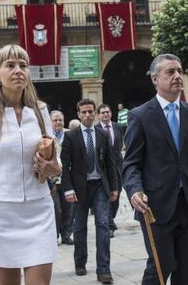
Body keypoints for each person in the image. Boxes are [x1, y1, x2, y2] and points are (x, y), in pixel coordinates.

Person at [0, 44, 61, 285]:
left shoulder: (40, 110)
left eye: (23, 65)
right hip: (0, 213)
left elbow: (56, 164)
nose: (18, 70)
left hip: (39, 209)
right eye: (10, 65)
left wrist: (51, 167)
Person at [122, 53, 188, 285]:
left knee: (187, 271)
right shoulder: (140, 116)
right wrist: (135, 190)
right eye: (170, 72)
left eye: (179, 71)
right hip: (155, 207)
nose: (177, 76)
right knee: (160, 265)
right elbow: (131, 163)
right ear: (155, 79)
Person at [61, 98, 118, 284]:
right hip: (79, 188)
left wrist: (114, 187)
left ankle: (104, 270)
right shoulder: (71, 136)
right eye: (83, 112)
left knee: (103, 225)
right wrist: (68, 189)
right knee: (80, 227)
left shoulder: (102, 134)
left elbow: (110, 163)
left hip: (99, 186)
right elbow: (65, 165)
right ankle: (80, 262)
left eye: (90, 111)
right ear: (78, 114)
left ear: (95, 113)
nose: (87, 115)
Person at [96, 103, 124, 238]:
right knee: (105, 196)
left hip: (118, 167)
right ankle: (109, 224)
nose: (105, 114)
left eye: (107, 112)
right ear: (98, 115)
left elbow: (121, 145)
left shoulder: (118, 127)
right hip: (103, 169)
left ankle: (111, 218)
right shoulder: (95, 129)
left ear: (111, 113)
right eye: (103, 112)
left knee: (116, 194)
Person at [49, 110, 74, 245]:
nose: (58, 122)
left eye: (60, 120)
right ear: (50, 121)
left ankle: (66, 235)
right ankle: (55, 234)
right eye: (55, 120)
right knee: (56, 209)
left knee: (68, 209)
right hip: (52, 181)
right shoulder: (46, 136)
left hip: (68, 179)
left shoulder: (70, 134)